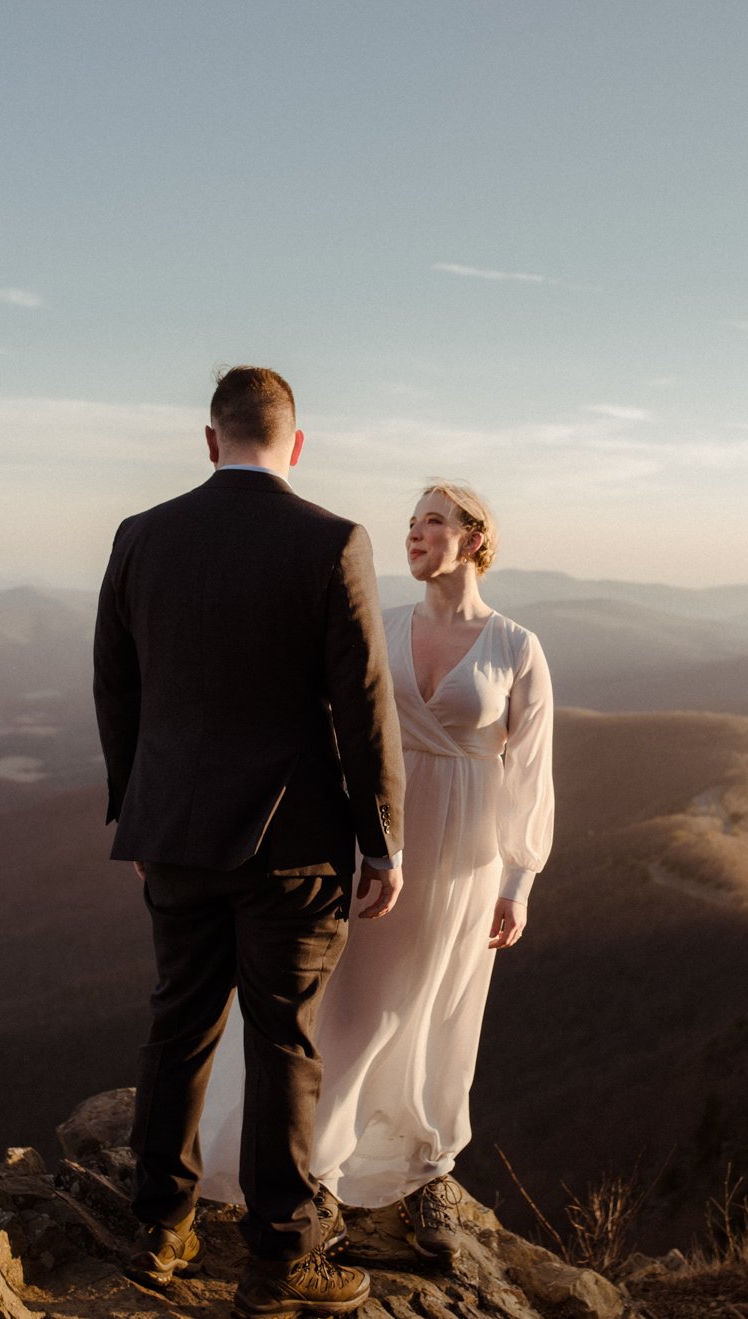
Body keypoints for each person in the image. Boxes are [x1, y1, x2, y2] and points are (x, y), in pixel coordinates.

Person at [92, 365, 407, 1317]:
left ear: (210, 437)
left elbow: (117, 686)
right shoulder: (331, 540)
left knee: (178, 1023)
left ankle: (158, 1228)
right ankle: (279, 1263)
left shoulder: (142, 536)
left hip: (175, 831)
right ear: (295, 443)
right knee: (283, 1043)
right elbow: (362, 705)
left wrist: (138, 811)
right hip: (296, 842)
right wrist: (382, 839)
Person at [194, 479, 556, 1264]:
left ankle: (416, 1163)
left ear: (475, 539)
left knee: (429, 1008)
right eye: (412, 521)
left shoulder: (516, 647)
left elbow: (531, 772)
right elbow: (322, 724)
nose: (415, 532)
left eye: (434, 520)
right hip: (374, 839)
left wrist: (517, 882)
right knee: (348, 1002)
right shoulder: (380, 627)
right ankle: (310, 1169)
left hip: (463, 855)